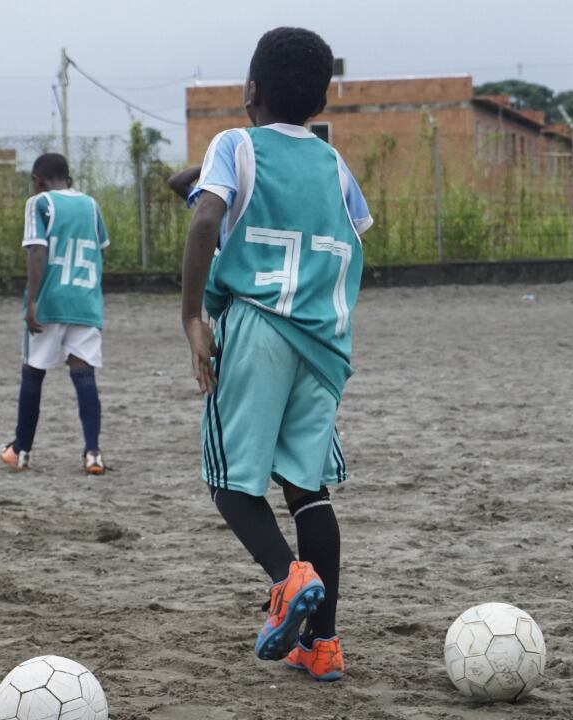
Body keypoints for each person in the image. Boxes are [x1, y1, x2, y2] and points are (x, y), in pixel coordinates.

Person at [178, 27, 372, 682]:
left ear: (249, 90)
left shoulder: (234, 144)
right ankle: (323, 645)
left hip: (259, 327)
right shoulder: (335, 164)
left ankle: (286, 581)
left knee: (229, 482)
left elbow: (208, 221)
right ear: (320, 102)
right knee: (306, 490)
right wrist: (198, 183)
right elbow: (318, 220)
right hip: (325, 342)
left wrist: (190, 318)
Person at [0, 153, 109, 475]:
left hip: (52, 299)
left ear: (38, 180)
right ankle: (93, 453)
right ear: (69, 179)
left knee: (33, 372)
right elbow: (101, 249)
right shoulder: (91, 205)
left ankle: (20, 450)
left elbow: (37, 250)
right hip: (85, 299)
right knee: (84, 374)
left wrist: (33, 301)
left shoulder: (40, 203)